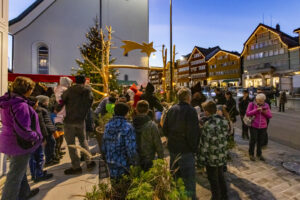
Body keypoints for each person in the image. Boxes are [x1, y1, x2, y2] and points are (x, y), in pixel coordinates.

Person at [0, 76, 42, 200]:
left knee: (19, 171)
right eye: (31, 89)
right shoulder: (20, 105)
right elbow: (23, 129)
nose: (32, 91)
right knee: (15, 176)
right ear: (27, 89)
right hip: (19, 144)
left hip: (9, 140)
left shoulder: (9, 101)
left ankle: (24, 193)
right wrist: (36, 136)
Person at [163, 87, 200, 200]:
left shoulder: (172, 109)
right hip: (186, 150)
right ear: (188, 97)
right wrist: (194, 148)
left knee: (175, 178)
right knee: (188, 180)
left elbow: (165, 129)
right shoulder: (191, 110)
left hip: (174, 149)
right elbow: (193, 133)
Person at [62, 75, 96, 175]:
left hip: (69, 120)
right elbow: (90, 104)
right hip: (81, 120)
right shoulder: (88, 92)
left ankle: (76, 166)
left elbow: (62, 100)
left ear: (75, 81)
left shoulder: (69, 90)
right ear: (85, 81)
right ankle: (89, 162)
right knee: (83, 141)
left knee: (71, 144)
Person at [197, 101, 229, 200]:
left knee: (213, 180)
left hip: (212, 157)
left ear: (207, 112)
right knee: (221, 177)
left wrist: (200, 162)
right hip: (222, 155)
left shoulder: (208, 124)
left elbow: (204, 145)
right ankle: (224, 196)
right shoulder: (224, 121)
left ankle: (216, 197)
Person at [101, 103, 137, 179]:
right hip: (123, 164)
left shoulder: (108, 125)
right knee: (125, 187)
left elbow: (104, 145)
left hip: (110, 162)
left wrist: (105, 157)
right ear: (126, 113)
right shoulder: (127, 126)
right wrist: (134, 163)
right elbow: (131, 148)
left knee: (114, 185)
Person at [133, 100, 164, 171]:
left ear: (136, 110)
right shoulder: (152, 125)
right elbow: (158, 144)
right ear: (148, 111)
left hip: (135, 159)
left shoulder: (131, 125)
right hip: (149, 159)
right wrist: (161, 160)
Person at [28, 96, 54, 183]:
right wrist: (44, 137)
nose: (37, 104)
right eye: (36, 103)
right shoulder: (37, 112)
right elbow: (41, 125)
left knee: (32, 158)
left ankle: (34, 174)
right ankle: (39, 174)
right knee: (39, 156)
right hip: (36, 137)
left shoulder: (26, 111)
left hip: (29, 138)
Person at [246, 93, 272, 161]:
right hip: (254, 125)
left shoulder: (266, 105)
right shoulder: (251, 104)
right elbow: (248, 113)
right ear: (256, 99)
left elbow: (270, 116)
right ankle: (251, 154)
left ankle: (259, 154)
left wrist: (264, 112)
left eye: (262, 101)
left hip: (263, 126)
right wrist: (256, 110)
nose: (260, 102)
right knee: (253, 140)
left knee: (260, 141)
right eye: (259, 100)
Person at [36, 95, 58, 166]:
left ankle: (51, 158)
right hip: (46, 130)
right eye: (46, 101)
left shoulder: (44, 109)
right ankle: (49, 159)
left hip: (48, 129)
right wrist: (45, 133)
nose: (48, 102)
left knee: (51, 143)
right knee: (50, 143)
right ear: (43, 102)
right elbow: (42, 122)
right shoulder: (41, 110)